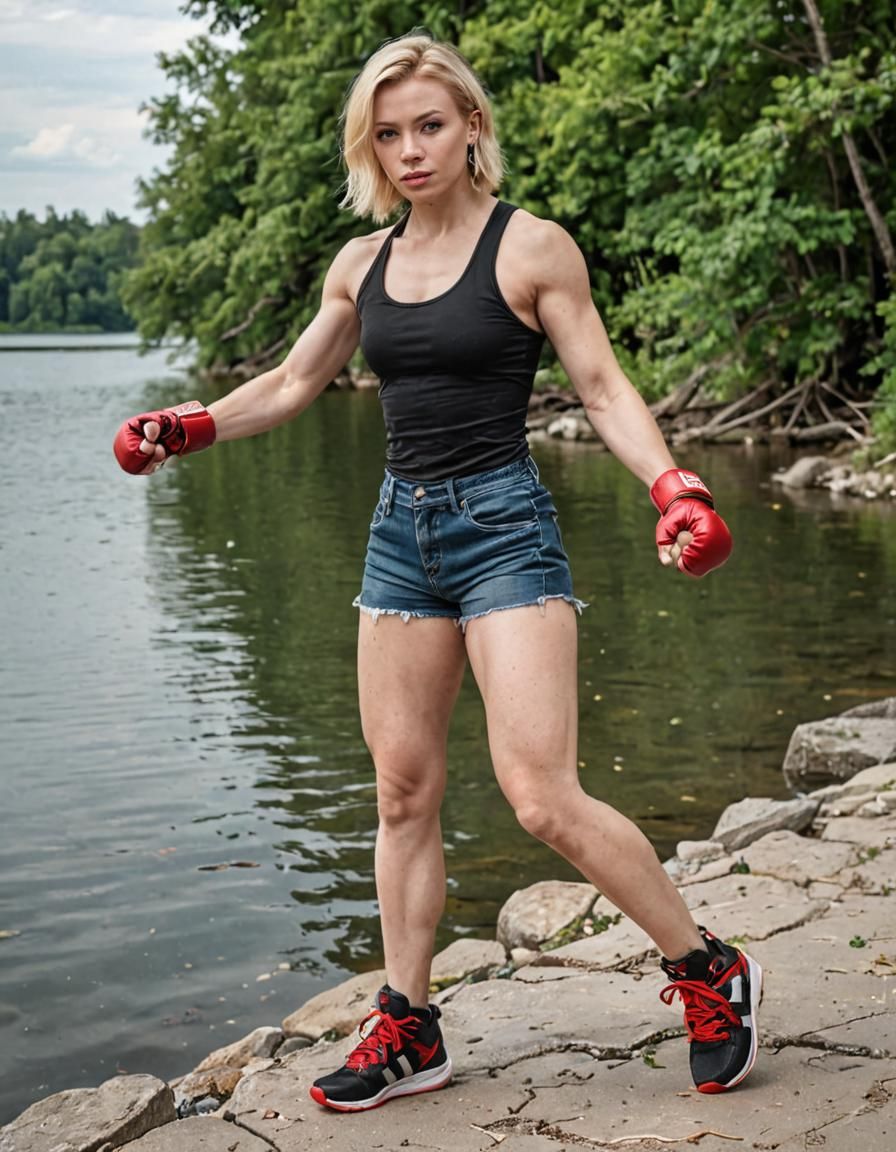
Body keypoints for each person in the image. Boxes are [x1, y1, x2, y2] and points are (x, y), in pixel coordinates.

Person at [114, 32, 760, 1114]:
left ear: (469, 125)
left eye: (427, 124)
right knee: (401, 791)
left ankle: (707, 970)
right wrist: (188, 427)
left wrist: (672, 488)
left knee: (539, 795)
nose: (409, 149)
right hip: (397, 539)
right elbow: (286, 383)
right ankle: (408, 1027)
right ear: (370, 146)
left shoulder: (531, 249)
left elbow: (599, 386)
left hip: (504, 529)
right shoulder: (360, 265)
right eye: (387, 132)